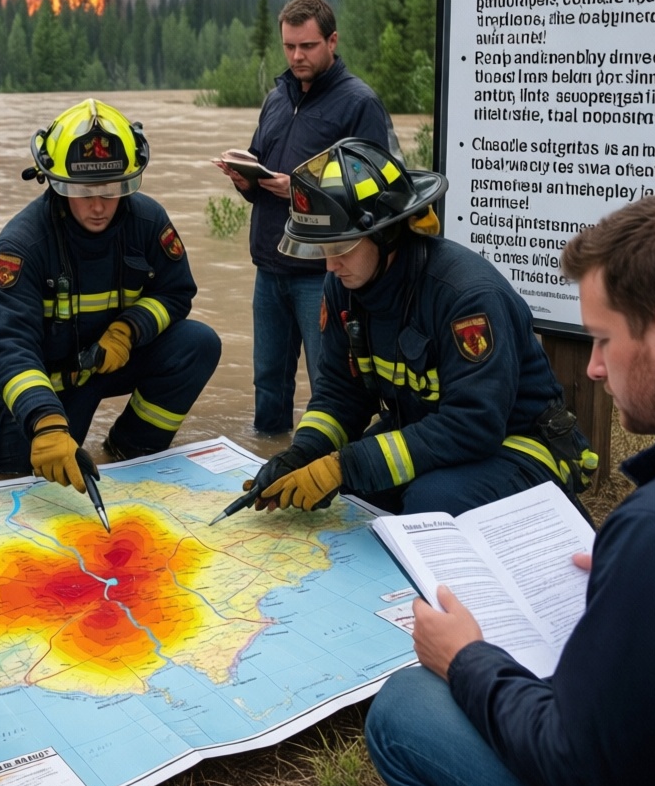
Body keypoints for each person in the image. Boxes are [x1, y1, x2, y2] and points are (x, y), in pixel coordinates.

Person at [365, 189, 655, 786]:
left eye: (605, 340)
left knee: (405, 712)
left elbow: (590, 781)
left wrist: (467, 659)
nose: (597, 370)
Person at [245, 138, 593, 517]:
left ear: (386, 233)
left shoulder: (466, 298)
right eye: (322, 250)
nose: (329, 266)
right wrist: (303, 454)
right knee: (358, 497)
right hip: (434, 433)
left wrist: (345, 465)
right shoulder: (345, 286)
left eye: (341, 248)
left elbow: (474, 424)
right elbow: (339, 395)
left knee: (431, 501)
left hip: (518, 445)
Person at [0, 98, 221, 486]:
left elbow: (176, 293)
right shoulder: (22, 246)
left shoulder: (147, 222)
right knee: (19, 479)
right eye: (84, 192)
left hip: (110, 364)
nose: (98, 207)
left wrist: (128, 331)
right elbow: (9, 349)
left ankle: (130, 451)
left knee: (197, 343)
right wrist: (45, 422)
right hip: (49, 387)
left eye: (111, 190)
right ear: (57, 184)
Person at [216, 0, 396, 435]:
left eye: (308, 46)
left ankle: (337, 473)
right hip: (269, 268)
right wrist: (247, 181)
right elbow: (261, 167)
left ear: (332, 41)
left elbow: (382, 190)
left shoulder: (360, 103)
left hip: (325, 271)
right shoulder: (276, 98)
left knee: (330, 384)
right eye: (289, 46)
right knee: (268, 386)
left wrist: (299, 190)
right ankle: (269, 458)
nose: (297, 56)